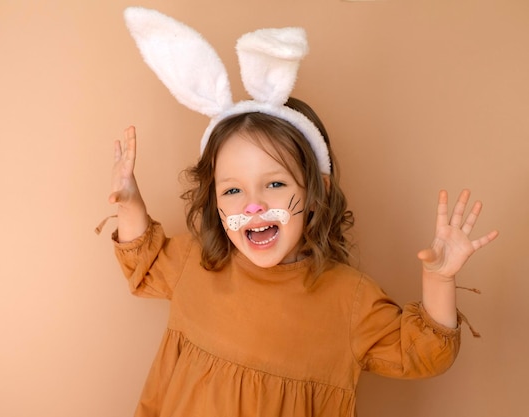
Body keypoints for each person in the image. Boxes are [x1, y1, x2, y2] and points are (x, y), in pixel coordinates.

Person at [99, 7, 499, 417]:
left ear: (314, 192)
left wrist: (439, 280)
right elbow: (142, 262)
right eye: (233, 190)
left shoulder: (350, 300)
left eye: (275, 184)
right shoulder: (194, 263)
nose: (253, 205)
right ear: (214, 202)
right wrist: (131, 202)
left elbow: (425, 356)